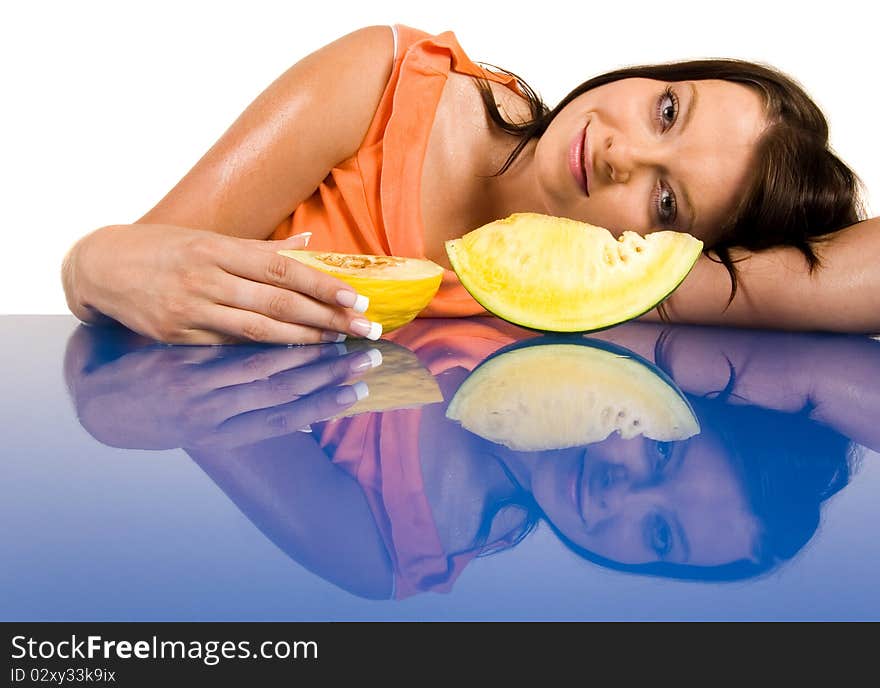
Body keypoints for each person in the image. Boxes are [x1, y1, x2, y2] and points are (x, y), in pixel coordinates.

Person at [61, 25, 877, 344]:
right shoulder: (382, 82)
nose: (623, 151)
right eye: (668, 109)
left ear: (672, 248)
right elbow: (130, 265)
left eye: (667, 201)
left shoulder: (625, 294)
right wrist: (87, 262)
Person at [64, 317, 878, 597]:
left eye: (658, 536)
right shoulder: (560, 297)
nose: (614, 495)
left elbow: (125, 380)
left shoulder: (385, 549)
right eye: (661, 455)